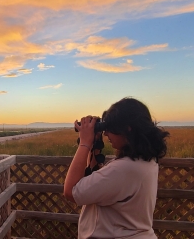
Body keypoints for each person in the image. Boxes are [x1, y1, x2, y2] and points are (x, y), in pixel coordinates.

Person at [64, 97, 169, 238]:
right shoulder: (145, 161)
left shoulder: (125, 168)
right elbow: (95, 181)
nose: (106, 133)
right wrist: (95, 147)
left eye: (110, 127)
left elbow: (71, 191)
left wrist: (84, 143)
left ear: (127, 128)